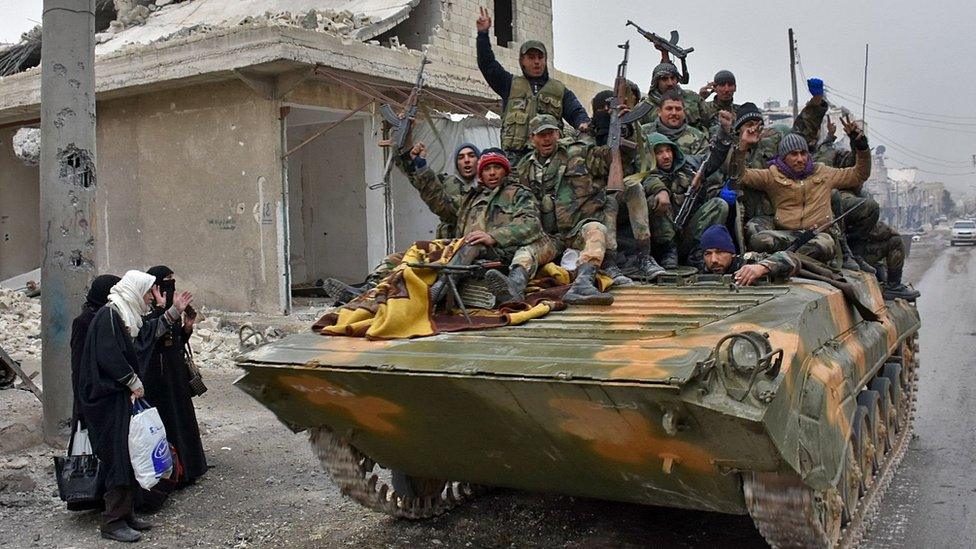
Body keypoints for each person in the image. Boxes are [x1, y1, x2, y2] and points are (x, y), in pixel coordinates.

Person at [75, 270, 192, 542]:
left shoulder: (125, 316)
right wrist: (132, 382)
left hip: (119, 398)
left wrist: (173, 312)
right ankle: (112, 522)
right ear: (135, 290)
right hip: (106, 400)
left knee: (126, 455)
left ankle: (126, 515)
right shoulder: (109, 315)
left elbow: (145, 336)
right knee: (116, 457)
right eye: (148, 292)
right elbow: (109, 356)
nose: (151, 298)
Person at [513, 114, 625, 304]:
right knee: (525, 252)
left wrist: (617, 125)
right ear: (532, 139)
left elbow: (608, 158)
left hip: (577, 228)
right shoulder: (524, 168)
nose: (546, 139)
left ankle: (583, 284)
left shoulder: (579, 153)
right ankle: (513, 288)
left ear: (558, 134)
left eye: (550, 133)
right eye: (541, 135)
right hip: (547, 236)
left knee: (597, 231)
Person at [733, 115, 872, 262]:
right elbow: (741, 175)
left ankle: (781, 261)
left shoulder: (823, 172)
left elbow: (859, 175)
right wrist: (743, 146)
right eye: (793, 154)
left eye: (803, 153)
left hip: (818, 236)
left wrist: (861, 146)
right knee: (759, 240)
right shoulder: (772, 175)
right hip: (786, 233)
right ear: (783, 157)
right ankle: (785, 259)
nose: (800, 159)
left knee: (825, 246)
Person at [475, 7, 590, 163]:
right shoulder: (509, 84)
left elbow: (577, 112)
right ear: (522, 61)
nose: (536, 61)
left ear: (545, 60)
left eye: (540, 57)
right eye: (531, 57)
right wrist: (482, 35)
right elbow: (487, 64)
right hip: (516, 162)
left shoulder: (559, 90)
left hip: (550, 162)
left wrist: (582, 123)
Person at [585, 91, 662, 282]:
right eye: (603, 110)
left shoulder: (630, 130)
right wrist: (610, 140)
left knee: (634, 186)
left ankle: (644, 256)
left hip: (622, 193)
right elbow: (593, 166)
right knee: (610, 199)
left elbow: (643, 164)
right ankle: (609, 263)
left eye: (610, 109)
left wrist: (627, 129)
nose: (607, 112)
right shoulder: (586, 135)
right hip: (593, 199)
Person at [640, 112, 733, 268]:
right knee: (655, 201)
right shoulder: (643, 172)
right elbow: (647, 181)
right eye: (659, 152)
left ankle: (700, 252)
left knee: (719, 205)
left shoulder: (689, 165)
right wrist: (661, 191)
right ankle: (668, 251)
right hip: (659, 242)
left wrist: (724, 131)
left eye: (668, 150)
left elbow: (713, 159)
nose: (666, 156)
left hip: (688, 231)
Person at [143, 266, 208, 487]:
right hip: (158, 374)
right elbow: (151, 335)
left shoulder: (174, 304)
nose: (171, 284)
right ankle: (173, 473)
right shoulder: (147, 305)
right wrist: (162, 310)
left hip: (176, 370)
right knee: (167, 418)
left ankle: (191, 466)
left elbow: (176, 340)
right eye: (166, 280)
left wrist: (187, 328)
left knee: (183, 417)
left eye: (173, 279)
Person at [71, 274, 121, 428]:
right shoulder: (84, 322)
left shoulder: (113, 318)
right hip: (93, 396)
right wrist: (81, 406)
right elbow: (78, 366)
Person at [695, 225, 800, 285]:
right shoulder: (702, 270)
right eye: (707, 254)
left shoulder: (749, 261)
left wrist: (762, 267)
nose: (713, 260)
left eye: (719, 252)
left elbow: (791, 258)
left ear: (732, 253)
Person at [637, 59, 706, 132]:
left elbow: (710, 120)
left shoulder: (691, 97)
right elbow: (633, 132)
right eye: (664, 79)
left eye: (672, 78)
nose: (670, 83)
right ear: (656, 82)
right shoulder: (644, 107)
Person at [859, 222, 921, 301]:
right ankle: (894, 287)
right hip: (854, 253)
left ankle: (889, 283)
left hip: (851, 249)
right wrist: (891, 232)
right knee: (896, 242)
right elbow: (873, 228)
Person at [641, 89, 709, 156]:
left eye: (678, 109)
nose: (674, 113)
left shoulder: (698, 137)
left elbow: (703, 163)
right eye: (669, 108)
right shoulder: (643, 132)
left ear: (684, 111)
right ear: (659, 111)